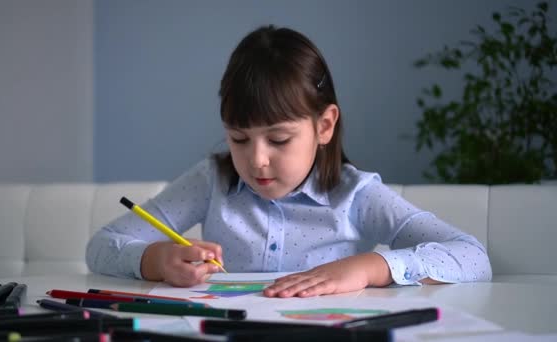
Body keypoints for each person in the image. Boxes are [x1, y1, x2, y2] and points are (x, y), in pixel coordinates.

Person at [86, 25, 492, 298]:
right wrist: (154, 260)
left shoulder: (357, 194)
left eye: (278, 139)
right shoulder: (211, 180)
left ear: (325, 125)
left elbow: (472, 256)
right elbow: (101, 246)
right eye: (239, 138)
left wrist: (371, 267)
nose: (257, 159)